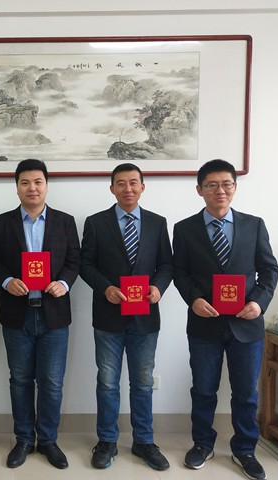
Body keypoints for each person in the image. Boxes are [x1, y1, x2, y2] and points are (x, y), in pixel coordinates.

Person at [173, 159, 278, 480]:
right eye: (212, 185)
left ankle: (244, 449)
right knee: (203, 390)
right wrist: (194, 299)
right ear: (199, 190)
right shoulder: (184, 228)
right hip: (204, 323)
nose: (220, 190)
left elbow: (269, 270)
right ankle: (202, 444)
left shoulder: (254, 225)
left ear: (234, 187)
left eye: (226, 184)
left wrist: (258, 303)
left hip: (246, 325)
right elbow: (180, 273)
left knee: (246, 392)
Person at [0, 159, 81, 470]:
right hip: (18, 314)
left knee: (52, 382)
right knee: (20, 380)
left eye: (38, 182)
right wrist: (6, 281)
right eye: (25, 182)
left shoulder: (65, 222)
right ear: (16, 187)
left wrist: (63, 283)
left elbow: (74, 260)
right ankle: (24, 439)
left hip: (54, 314)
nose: (32, 188)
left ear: (47, 186)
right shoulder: (2, 223)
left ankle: (49, 440)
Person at [80, 163, 173, 471]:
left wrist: (158, 288)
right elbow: (85, 264)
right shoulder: (96, 223)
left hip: (145, 316)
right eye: (121, 183)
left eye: (134, 183)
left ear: (143, 187)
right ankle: (107, 440)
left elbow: (166, 265)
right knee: (107, 382)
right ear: (112, 188)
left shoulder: (158, 223)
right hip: (108, 315)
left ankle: (144, 441)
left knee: (143, 382)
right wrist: (105, 288)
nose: (128, 188)